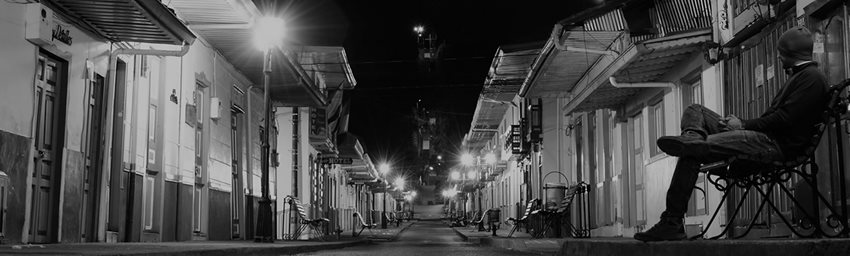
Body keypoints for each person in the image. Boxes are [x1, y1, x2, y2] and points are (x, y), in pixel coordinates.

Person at [633, 26, 830, 242]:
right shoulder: (804, 76)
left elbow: (783, 119)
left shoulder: (811, 78)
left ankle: (672, 221)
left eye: (781, 52)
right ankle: (692, 137)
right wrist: (739, 125)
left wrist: (742, 124)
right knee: (695, 110)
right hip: (764, 139)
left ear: (790, 53)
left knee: (694, 150)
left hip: (773, 145)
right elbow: (781, 118)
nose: (778, 56)